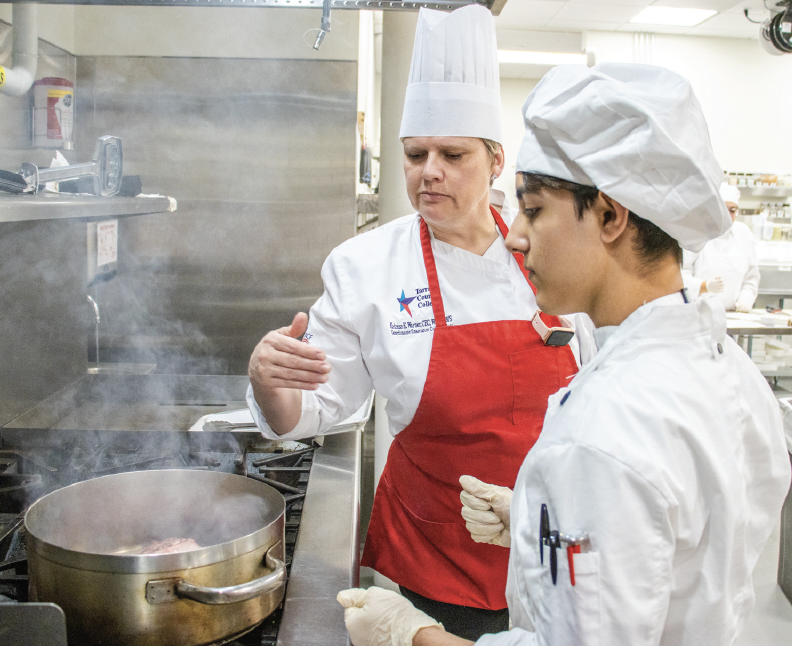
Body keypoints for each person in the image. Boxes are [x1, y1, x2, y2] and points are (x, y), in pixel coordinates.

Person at [337, 63, 791, 646]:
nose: (515, 234)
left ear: (608, 215)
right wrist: (535, 518)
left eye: (534, 209)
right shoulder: (729, 370)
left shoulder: (602, 434)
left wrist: (410, 635)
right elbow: (673, 550)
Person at [247, 5, 593, 640]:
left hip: (561, 540)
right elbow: (322, 405)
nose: (428, 170)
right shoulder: (365, 266)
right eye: (415, 154)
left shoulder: (550, 249)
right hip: (438, 555)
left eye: (451, 154)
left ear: (495, 161)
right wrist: (273, 385)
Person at [682, 182, 760, 312]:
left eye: (732, 210)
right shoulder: (697, 233)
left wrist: (746, 298)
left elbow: (751, 276)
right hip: (699, 312)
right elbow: (681, 274)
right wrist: (704, 286)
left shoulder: (743, 234)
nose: (728, 215)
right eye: (723, 209)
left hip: (734, 313)